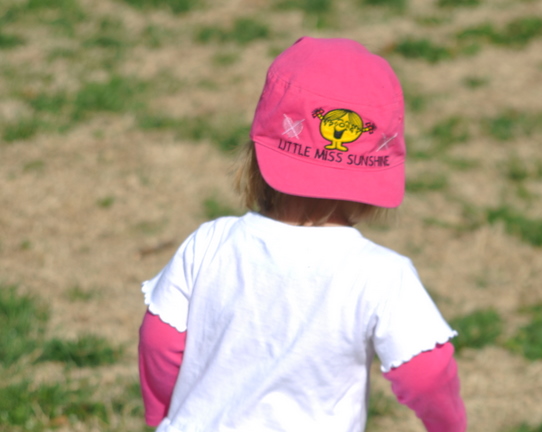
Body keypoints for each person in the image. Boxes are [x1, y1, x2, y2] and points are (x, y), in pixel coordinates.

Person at [138, 36, 466, 432]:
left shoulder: (208, 243)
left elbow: (160, 342)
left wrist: (164, 416)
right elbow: (426, 374)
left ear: (256, 155)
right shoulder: (381, 275)